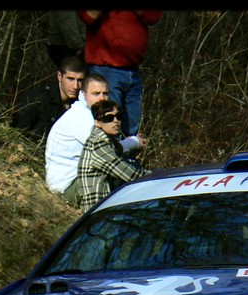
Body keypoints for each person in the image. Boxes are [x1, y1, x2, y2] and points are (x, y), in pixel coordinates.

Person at [45, 72, 146, 206]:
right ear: (83, 94)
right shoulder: (81, 118)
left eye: (105, 93)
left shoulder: (91, 114)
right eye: (96, 93)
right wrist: (134, 142)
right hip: (67, 188)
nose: (101, 98)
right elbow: (111, 150)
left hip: (76, 180)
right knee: (120, 173)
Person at [78, 10, 163, 138]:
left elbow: (153, 17)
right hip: (105, 69)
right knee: (108, 124)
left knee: (133, 130)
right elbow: (88, 17)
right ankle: (110, 156)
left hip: (133, 70)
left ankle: (129, 156)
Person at [77, 100, 149, 213]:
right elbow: (130, 174)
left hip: (105, 208)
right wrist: (157, 177)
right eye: (108, 118)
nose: (115, 121)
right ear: (97, 122)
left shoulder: (108, 141)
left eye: (118, 116)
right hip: (97, 212)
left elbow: (121, 154)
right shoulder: (97, 144)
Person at [13, 55, 87, 141]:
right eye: (70, 79)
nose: (75, 86)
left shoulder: (81, 104)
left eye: (80, 80)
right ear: (59, 76)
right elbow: (17, 133)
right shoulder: (38, 99)